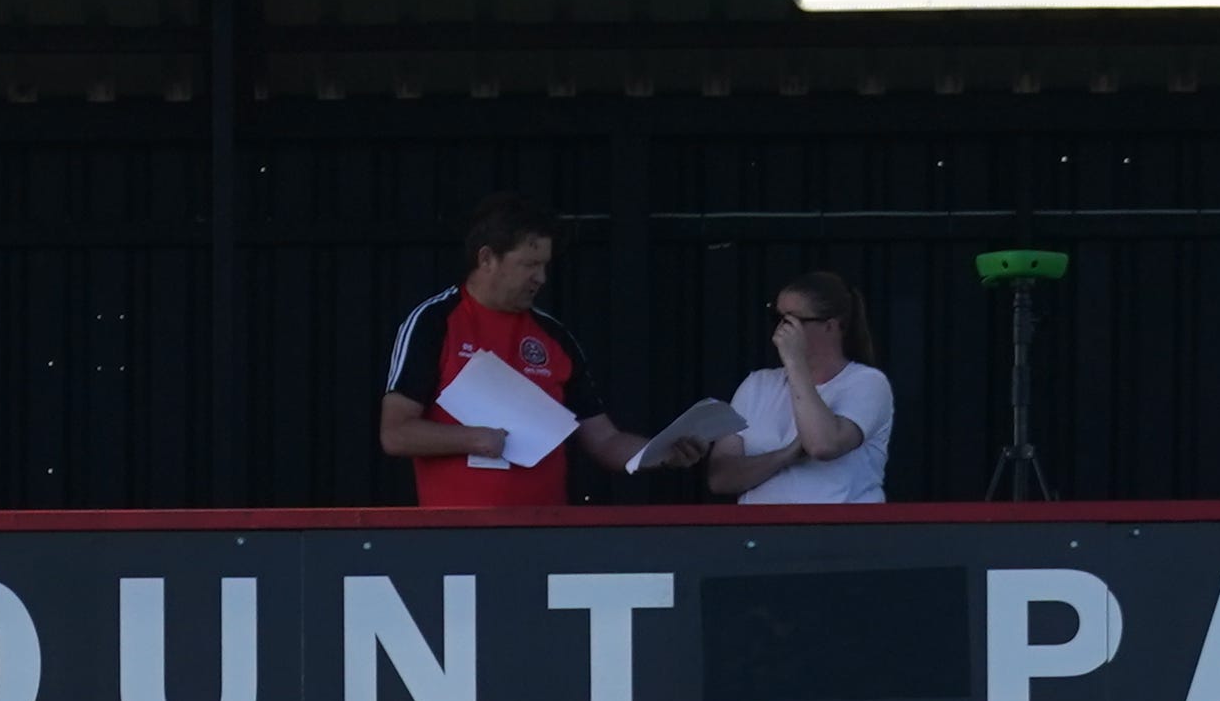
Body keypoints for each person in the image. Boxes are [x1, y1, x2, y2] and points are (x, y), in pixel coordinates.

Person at [377, 197, 641, 507]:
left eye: (544, 265)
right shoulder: (434, 322)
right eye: (529, 264)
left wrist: (661, 452)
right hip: (454, 534)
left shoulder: (554, 336)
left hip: (545, 533)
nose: (540, 278)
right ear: (487, 258)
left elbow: (604, 441)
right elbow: (395, 433)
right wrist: (475, 438)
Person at [635, 269, 892, 503]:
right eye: (775, 317)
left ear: (830, 326)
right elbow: (721, 477)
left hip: (843, 532)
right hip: (763, 534)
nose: (780, 329)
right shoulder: (757, 384)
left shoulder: (866, 383)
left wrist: (795, 363)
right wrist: (786, 455)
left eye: (791, 321)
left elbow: (823, 445)